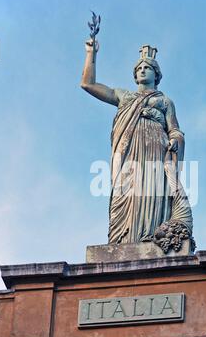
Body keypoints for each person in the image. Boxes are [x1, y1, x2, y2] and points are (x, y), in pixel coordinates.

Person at [81, 41, 193, 253]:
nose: (142, 70)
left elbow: (175, 130)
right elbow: (88, 84)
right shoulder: (125, 96)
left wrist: (174, 141)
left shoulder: (165, 101)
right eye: (139, 68)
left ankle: (152, 239)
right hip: (128, 154)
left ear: (156, 74)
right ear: (135, 75)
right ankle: (122, 244)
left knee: (151, 193)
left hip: (155, 153)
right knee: (126, 194)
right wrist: (90, 54)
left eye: (147, 67)